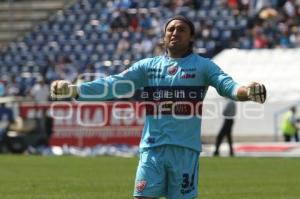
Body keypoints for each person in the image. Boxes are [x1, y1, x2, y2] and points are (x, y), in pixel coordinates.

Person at [51, 16, 267, 199]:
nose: (175, 33)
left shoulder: (203, 66)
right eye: (170, 29)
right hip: (151, 151)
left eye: (181, 30)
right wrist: (74, 90)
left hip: (185, 152)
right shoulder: (148, 66)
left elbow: (227, 85)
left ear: (191, 37)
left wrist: (247, 92)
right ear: (164, 36)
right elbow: (113, 85)